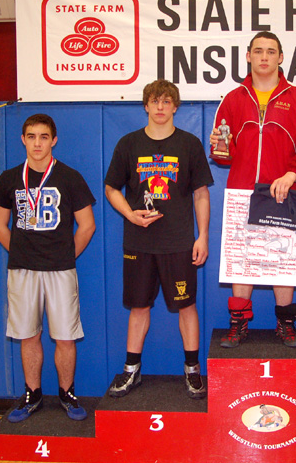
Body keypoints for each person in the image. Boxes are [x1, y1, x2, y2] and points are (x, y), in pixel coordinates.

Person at [210, 31, 296, 348]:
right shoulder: (233, 99)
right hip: (243, 192)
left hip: (284, 191)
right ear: (248, 56)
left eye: (271, 51)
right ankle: (238, 323)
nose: (264, 57)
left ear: (280, 57)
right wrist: (220, 147)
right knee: (241, 260)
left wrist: (292, 174)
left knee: (283, 259)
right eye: (258, 51)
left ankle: (285, 324)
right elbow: (224, 154)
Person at [105, 79, 213, 399]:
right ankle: (131, 370)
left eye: (167, 101)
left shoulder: (189, 144)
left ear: (175, 106)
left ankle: (192, 370)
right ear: (146, 106)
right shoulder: (129, 144)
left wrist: (203, 236)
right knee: (138, 307)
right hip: (139, 242)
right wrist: (130, 214)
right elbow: (111, 188)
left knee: (186, 306)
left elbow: (201, 194)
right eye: (155, 101)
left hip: (179, 242)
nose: (161, 107)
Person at [0, 113, 96, 422]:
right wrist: (22, 252)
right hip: (22, 270)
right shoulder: (9, 178)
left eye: (44, 137)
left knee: (65, 336)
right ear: (23, 140)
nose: (37, 143)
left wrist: (64, 256)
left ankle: (67, 393)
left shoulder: (70, 177)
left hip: (60, 270)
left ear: (54, 140)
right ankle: (32, 394)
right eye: (32, 136)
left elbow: (87, 225)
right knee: (28, 335)